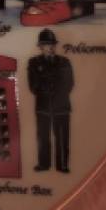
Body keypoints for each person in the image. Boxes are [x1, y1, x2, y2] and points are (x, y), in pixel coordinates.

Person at [27, 29, 74, 173]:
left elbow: (69, 83)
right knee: (43, 137)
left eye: (53, 44)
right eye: (47, 44)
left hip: (61, 106)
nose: (51, 47)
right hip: (43, 106)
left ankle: (62, 165)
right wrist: (48, 89)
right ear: (40, 46)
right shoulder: (34, 63)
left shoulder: (64, 62)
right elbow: (33, 86)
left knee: (62, 137)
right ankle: (43, 164)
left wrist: (54, 92)